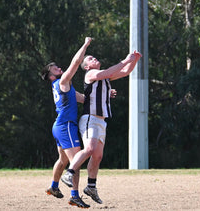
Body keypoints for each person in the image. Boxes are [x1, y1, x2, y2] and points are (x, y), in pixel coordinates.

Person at [61, 50, 142, 204]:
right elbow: (112, 70)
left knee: (97, 156)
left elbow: (125, 72)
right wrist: (125, 59)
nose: (94, 58)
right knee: (90, 149)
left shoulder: (105, 76)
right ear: (86, 67)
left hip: (101, 121)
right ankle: (69, 173)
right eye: (90, 58)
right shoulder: (91, 74)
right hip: (90, 118)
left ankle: (91, 186)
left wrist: (135, 60)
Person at [41, 37, 92, 209]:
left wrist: (105, 94)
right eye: (56, 68)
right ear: (51, 75)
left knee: (63, 160)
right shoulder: (63, 82)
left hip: (59, 126)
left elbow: (84, 99)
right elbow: (76, 62)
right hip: (66, 126)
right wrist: (85, 44)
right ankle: (75, 196)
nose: (60, 68)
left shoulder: (62, 86)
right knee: (75, 162)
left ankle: (54, 187)